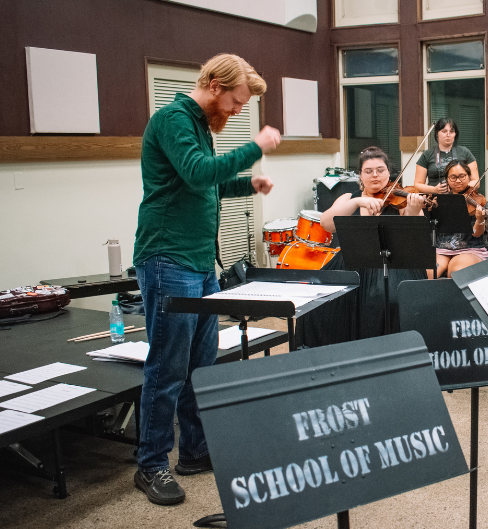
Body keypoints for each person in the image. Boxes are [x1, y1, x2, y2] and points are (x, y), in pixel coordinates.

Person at [132, 53, 282, 505]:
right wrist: (255, 147)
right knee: (167, 367)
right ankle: (152, 464)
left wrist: (245, 186)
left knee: (202, 365)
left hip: (200, 263)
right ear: (214, 85)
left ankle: (194, 451)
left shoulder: (199, 127)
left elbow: (201, 185)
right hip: (167, 258)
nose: (237, 111)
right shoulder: (173, 120)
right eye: (236, 102)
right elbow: (197, 172)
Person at [296, 147, 426, 346]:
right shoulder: (348, 199)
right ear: (360, 175)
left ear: (388, 173)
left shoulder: (400, 201)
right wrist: (358, 201)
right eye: (369, 171)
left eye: (380, 170)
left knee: (382, 300)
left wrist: (415, 210)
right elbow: (326, 223)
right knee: (315, 303)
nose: (375, 175)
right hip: (351, 263)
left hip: (392, 265)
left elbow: (417, 236)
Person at [431, 160, 488, 278]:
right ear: (447, 180)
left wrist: (480, 220)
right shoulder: (439, 201)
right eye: (453, 177)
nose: (458, 180)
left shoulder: (480, 202)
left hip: (471, 249)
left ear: (469, 177)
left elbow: (476, 234)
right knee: (429, 273)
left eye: (462, 176)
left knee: (456, 272)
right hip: (443, 249)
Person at [413, 117, 479, 194]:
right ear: (437, 133)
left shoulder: (465, 152)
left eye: (451, 131)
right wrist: (434, 189)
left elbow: (476, 181)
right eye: (444, 131)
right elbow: (417, 184)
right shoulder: (427, 155)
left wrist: (459, 188)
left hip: (461, 197)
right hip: (434, 199)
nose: (448, 134)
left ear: (455, 134)